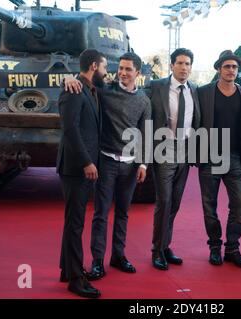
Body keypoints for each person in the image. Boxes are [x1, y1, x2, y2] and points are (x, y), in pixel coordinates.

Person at [64, 52, 151, 278]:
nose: (122, 73)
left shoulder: (144, 100)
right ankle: (97, 262)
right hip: (107, 161)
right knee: (101, 213)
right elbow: (83, 82)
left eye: (128, 69)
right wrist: (69, 78)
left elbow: (146, 134)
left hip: (131, 166)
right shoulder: (104, 89)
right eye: (120, 68)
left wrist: (143, 165)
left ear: (138, 73)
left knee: (123, 213)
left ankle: (118, 256)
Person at [57, 49, 107, 298]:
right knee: (75, 224)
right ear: (94, 66)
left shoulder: (88, 88)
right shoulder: (73, 89)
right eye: (105, 68)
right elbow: (70, 130)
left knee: (73, 222)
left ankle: (67, 269)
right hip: (76, 168)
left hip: (81, 167)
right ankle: (76, 280)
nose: (106, 73)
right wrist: (87, 162)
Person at [145, 48, 201, 271]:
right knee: (165, 201)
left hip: (185, 150)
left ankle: (165, 245)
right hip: (163, 148)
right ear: (172, 65)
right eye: (180, 63)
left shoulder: (194, 90)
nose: (184, 67)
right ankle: (157, 250)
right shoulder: (156, 86)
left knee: (175, 202)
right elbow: (131, 92)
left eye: (188, 64)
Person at [197, 50, 241, 268]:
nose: (231, 70)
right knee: (209, 205)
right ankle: (214, 247)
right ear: (219, 68)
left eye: (234, 67)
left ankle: (232, 248)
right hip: (210, 156)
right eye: (227, 66)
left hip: (235, 157)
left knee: (238, 204)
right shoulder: (203, 92)